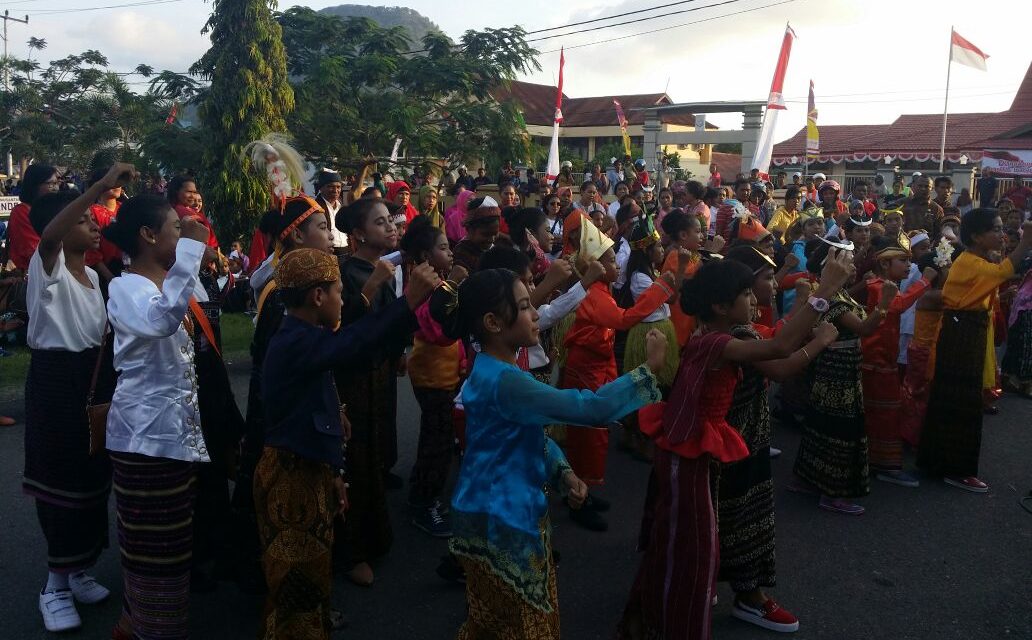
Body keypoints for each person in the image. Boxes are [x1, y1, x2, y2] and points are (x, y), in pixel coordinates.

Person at [618, 254, 850, 640]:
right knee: (693, 548)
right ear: (721, 306)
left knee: (684, 544)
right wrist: (825, 292)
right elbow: (781, 349)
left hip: (696, 450)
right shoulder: (723, 342)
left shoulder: (712, 333)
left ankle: (649, 618)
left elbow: (779, 354)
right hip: (692, 456)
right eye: (747, 292)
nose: (755, 297)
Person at [430, 267, 667, 639]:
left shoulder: (491, 369)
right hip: (504, 517)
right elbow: (588, 408)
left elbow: (520, 437)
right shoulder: (506, 380)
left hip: (484, 510)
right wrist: (647, 370)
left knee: (493, 617)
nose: (536, 313)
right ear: (493, 322)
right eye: (525, 306)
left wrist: (562, 472)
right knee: (524, 621)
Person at [22, 165, 132, 633]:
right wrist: (100, 187)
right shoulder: (47, 269)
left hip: (94, 379)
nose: (94, 225)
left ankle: (79, 569)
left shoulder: (93, 277)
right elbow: (48, 237)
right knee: (60, 483)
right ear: (64, 228)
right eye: (85, 220)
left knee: (93, 477)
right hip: (56, 382)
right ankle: (54, 585)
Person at [101, 193, 211, 640]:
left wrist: (190, 257)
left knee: (171, 541)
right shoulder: (125, 288)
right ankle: (150, 627)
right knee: (153, 545)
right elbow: (164, 320)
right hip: (142, 439)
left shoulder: (165, 283)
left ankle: (143, 623)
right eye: (176, 229)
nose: (184, 235)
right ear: (148, 236)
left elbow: (187, 300)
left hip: (169, 437)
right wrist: (191, 252)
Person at [717, 245, 837, 634]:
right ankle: (749, 597)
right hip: (737, 441)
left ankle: (717, 583)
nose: (762, 292)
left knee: (725, 515)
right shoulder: (732, 334)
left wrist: (806, 306)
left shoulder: (735, 328)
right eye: (756, 286)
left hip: (740, 437)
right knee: (741, 516)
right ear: (724, 302)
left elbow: (776, 336)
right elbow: (781, 357)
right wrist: (823, 306)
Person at [234, 195, 336, 593]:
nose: (330, 236)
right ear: (294, 237)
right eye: (323, 228)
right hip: (288, 423)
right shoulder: (283, 295)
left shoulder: (294, 286)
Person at [559, 220, 675, 531]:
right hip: (586, 368)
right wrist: (661, 288)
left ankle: (583, 489)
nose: (616, 264)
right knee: (588, 435)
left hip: (597, 363)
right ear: (595, 265)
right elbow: (625, 320)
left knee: (595, 432)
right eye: (610, 260)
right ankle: (577, 499)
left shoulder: (602, 288)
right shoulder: (595, 295)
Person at [918, 210, 1032, 492]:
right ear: (976, 237)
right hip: (963, 332)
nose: (1001, 233)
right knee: (964, 401)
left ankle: (938, 462)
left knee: (953, 398)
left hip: (964, 329)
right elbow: (1005, 271)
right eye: (995, 229)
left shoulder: (974, 259)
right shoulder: (969, 261)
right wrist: (1026, 241)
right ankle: (957, 469)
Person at [332, 198, 412, 585]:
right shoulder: (347, 272)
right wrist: (375, 282)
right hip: (354, 378)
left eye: (391, 222)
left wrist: (399, 350)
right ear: (359, 233)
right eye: (381, 223)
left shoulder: (386, 268)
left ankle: (375, 537)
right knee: (355, 463)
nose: (391, 227)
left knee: (376, 455)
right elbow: (345, 328)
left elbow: (390, 318)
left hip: (379, 374)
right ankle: (350, 552)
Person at [792, 237, 897, 516]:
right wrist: (885, 303)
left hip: (840, 368)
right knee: (839, 427)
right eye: (847, 263)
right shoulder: (833, 300)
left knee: (823, 423)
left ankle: (811, 481)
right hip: (837, 372)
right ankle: (832, 492)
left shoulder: (839, 294)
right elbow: (863, 328)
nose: (853, 268)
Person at [860, 236, 935, 487]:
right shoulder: (879, 286)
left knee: (882, 412)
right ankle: (886, 465)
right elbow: (899, 306)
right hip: (876, 359)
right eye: (902, 261)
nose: (907, 266)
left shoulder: (885, 283)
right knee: (884, 413)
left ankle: (877, 461)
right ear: (884, 264)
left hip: (883, 359)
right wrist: (925, 281)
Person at [7, 164, 60, 273]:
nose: (56, 188)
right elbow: (35, 251)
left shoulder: (53, 210)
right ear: (34, 185)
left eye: (57, 183)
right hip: (34, 276)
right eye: (50, 184)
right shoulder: (21, 212)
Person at [452, 196, 501, 272]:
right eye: (486, 234)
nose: (492, 239)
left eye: (495, 233)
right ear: (469, 229)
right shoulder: (461, 254)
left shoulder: (494, 249)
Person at [315, 169, 350, 256]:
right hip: (327, 253)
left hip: (346, 252)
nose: (335, 190)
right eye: (331, 186)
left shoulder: (341, 205)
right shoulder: (316, 208)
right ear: (321, 188)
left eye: (338, 187)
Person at [901, 175, 944, 239]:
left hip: (926, 247)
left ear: (932, 188)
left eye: (927, 186)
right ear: (913, 186)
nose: (923, 189)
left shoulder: (936, 209)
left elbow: (938, 234)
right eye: (920, 186)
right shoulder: (901, 204)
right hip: (903, 245)